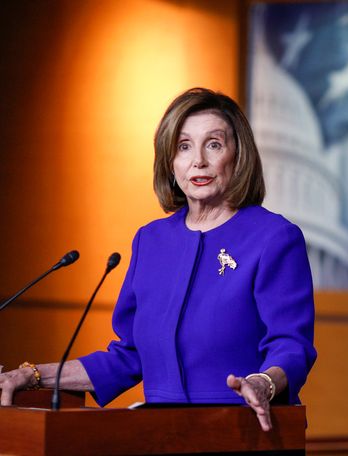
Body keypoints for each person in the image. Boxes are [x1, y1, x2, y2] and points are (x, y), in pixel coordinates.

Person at [0, 88, 316, 431]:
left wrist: (263, 383)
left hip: (244, 431)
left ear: (238, 156)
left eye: (214, 144)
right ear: (170, 162)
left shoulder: (272, 237)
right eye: (183, 146)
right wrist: (32, 376)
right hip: (161, 438)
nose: (198, 160)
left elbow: (290, 344)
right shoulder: (151, 241)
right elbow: (129, 355)